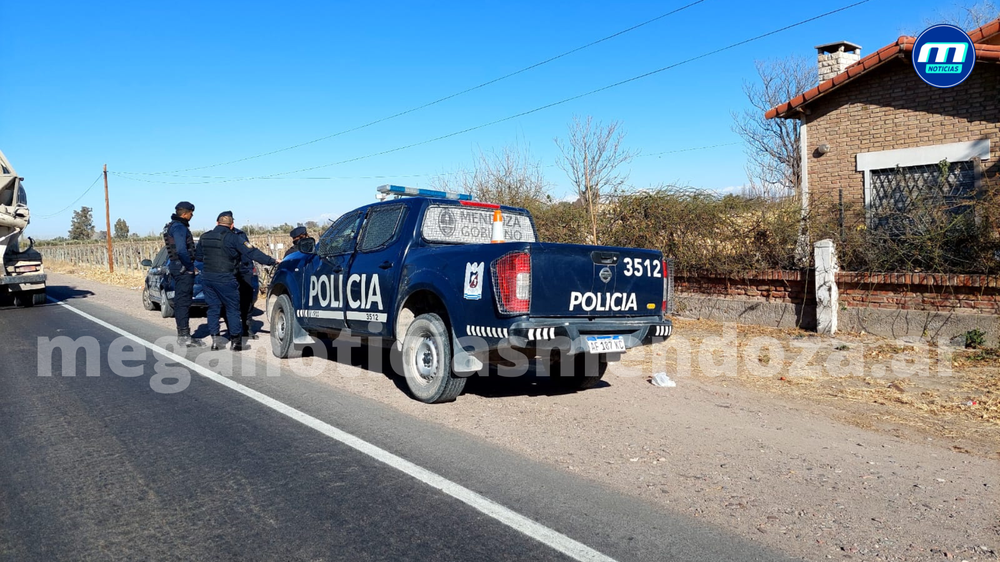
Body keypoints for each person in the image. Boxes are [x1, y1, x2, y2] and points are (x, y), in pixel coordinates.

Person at [195, 211, 279, 351]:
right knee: (232, 309)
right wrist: (272, 261)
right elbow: (252, 252)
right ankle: (236, 343)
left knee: (213, 309)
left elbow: (198, 257)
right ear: (232, 225)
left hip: (208, 278)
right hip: (226, 278)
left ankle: (216, 341)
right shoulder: (233, 238)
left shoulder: (204, 237)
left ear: (217, 223)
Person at [162, 201, 203, 348]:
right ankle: (184, 336)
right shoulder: (179, 227)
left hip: (178, 266)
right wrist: (190, 267)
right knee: (184, 302)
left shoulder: (172, 226)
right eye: (191, 213)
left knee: (182, 301)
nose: (192, 216)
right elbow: (181, 250)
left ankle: (184, 335)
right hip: (182, 268)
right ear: (185, 214)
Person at [219, 211, 260, 339]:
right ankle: (232, 331)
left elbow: (249, 251)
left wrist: (249, 267)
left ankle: (247, 329)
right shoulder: (219, 235)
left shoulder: (240, 234)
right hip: (229, 272)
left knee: (247, 302)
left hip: (244, 271)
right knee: (228, 303)